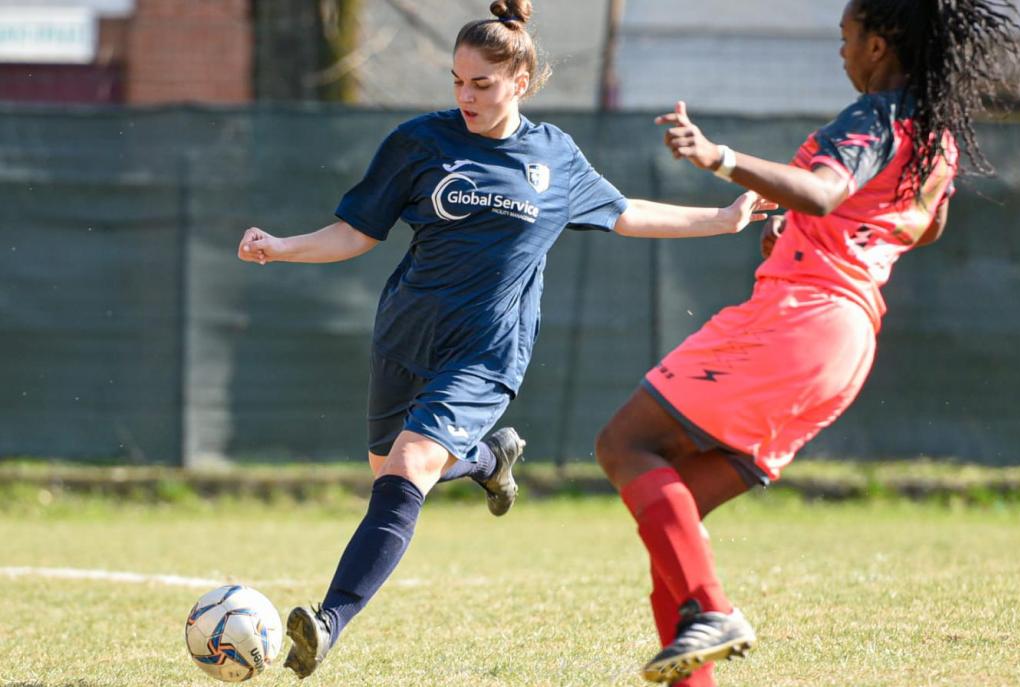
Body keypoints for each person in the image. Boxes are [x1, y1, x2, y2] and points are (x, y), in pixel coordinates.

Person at [236, 0, 774, 679]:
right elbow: (358, 231)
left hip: (487, 354)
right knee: (391, 473)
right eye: (457, 81)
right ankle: (489, 459)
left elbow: (627, 213)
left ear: (520, 80)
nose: (465, 95)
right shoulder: (420, 142)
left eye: (481, 84)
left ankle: (328, 620)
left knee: (407, 471)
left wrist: (722, 219)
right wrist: (281, 247)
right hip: (405, 334)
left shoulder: (553, 158)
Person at [594, 1, 1020, 684]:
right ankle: (696, 657)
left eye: (847, 37)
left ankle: (714, 608)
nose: (842, 51)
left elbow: (825, 194)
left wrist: (720, 157)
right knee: (672, 513)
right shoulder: (936, 139)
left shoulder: (875, 115)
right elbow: (921, 225)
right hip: (847, 344)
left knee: (624, 445)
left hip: (800, 318)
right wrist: (799, 233)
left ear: (880, 45)